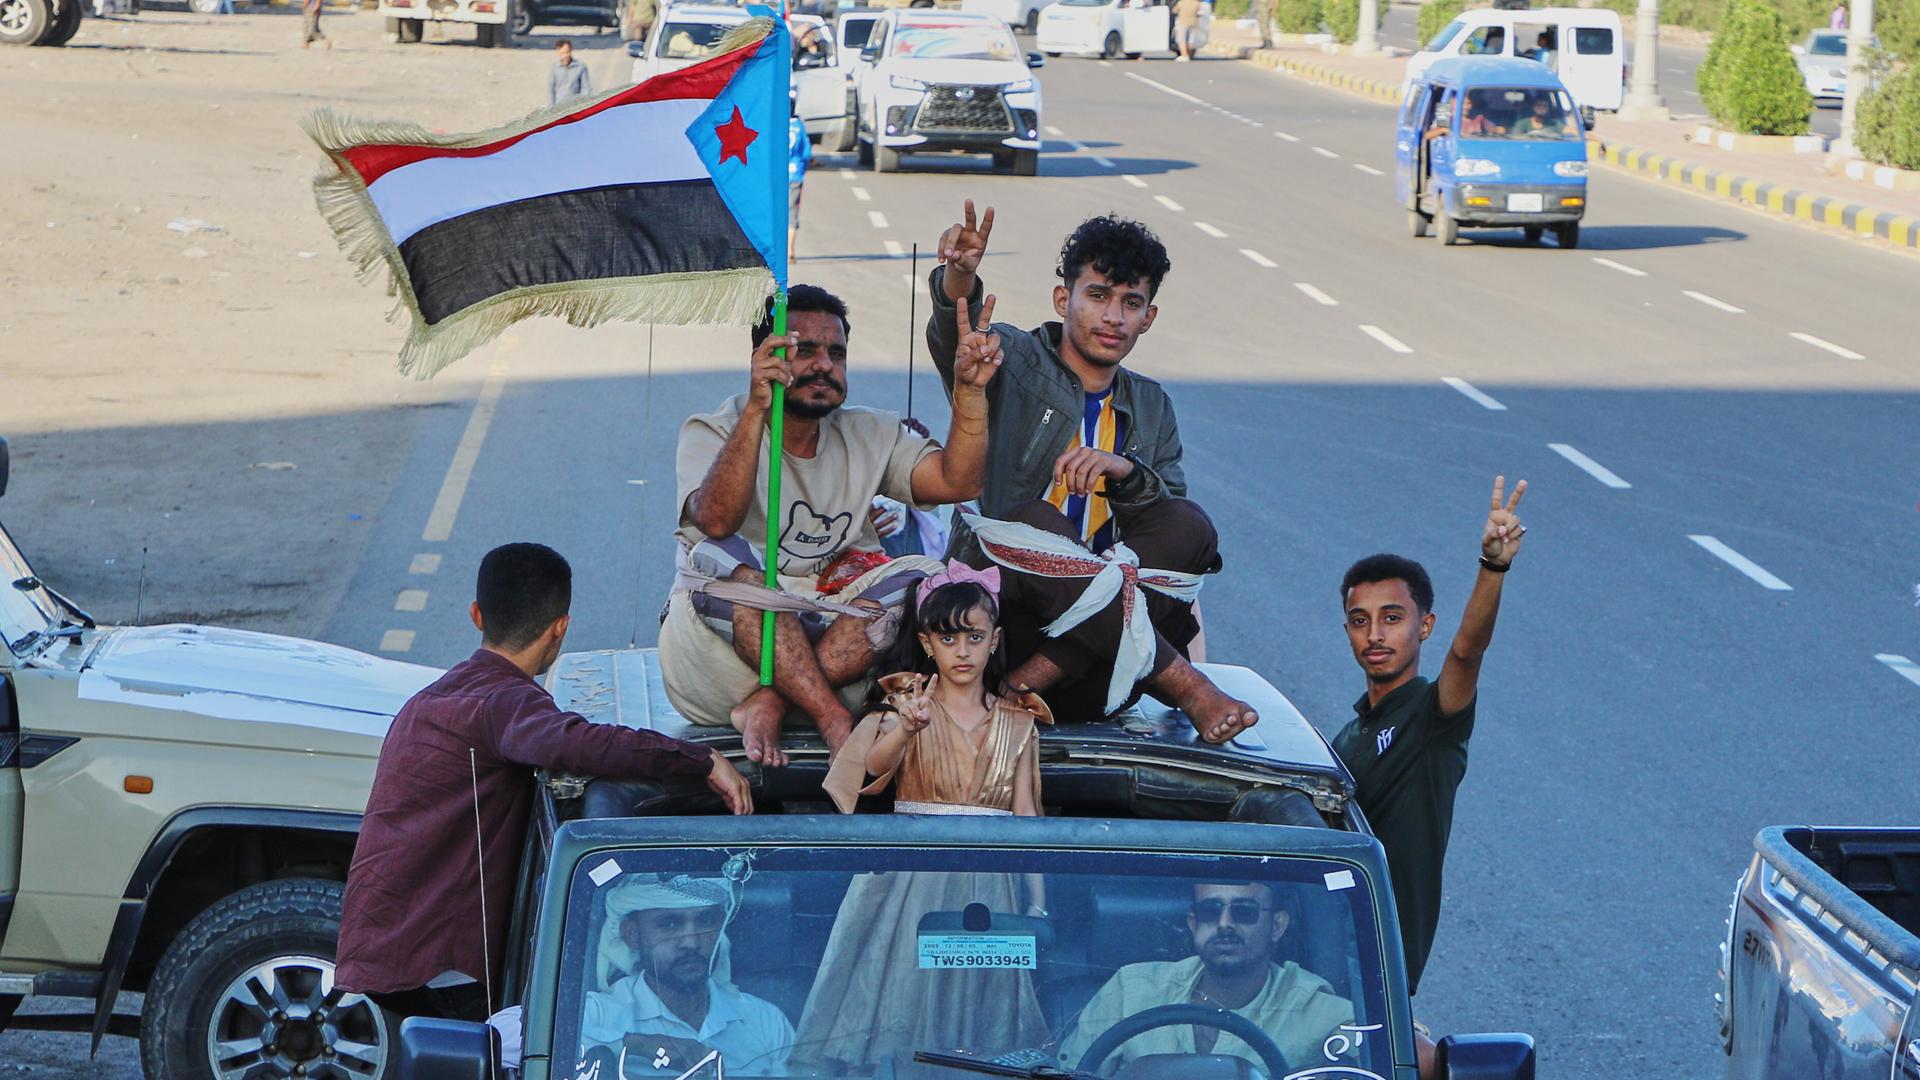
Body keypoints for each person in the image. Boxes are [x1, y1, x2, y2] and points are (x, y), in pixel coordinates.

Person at [336, 544, 752, 1022]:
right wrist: (701, 760)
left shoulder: (427, 702)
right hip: (444, 965)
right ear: (561, 627)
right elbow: (582, 744)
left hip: (381, 951)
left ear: (477, 615)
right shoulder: (504, 703)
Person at [924, 202, 1255, 741]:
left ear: (1148, 317)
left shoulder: (1151, 405)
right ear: (1064, 299)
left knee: (1192, 523)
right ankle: (1191, 688)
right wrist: (959, 274)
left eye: (1131, 303)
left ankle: (1030, 683)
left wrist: (1124, 472)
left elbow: (1168, 530)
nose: (1113, 317)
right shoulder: (1015, 358)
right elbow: (955, 336)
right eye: (1097, 295)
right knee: (1034, 518)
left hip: (1102, 657)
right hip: (1005, 621)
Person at [660, 285, 1002, 767]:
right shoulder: (714, 429)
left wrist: (970, 392)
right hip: (728, 664)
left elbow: (957, 481)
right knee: (718, 553)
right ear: (765, 357)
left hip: (842, 645)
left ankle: (777, 701)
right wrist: (759, 408)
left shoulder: (870, 431)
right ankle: (828, 716)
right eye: (804, 351)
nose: (824, 364)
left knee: (928, 574)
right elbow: (715, 520)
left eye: (836, 353)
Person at [794, 569, 1051, 1069]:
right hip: (910, 880)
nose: (962, 650)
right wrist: (907, 729)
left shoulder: (1021, 723)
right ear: (926, 645)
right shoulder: (907, 708)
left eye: (974, 637)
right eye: (947, 637)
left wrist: (1037, 907)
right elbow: (874, 769)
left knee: (982, 1010)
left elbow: (1028, 821)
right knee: (902, 999)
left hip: (992, 890)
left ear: (994, 641)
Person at [1330, 476, 1526, 1001]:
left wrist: (1493, 565)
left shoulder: (1433, 716)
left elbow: (1466, 653)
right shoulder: (1344, 739)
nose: (1374, 635)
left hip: (1377, 965)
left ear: (1425, 626)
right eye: (1359, 621)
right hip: (1314, 951)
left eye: (1392, 619)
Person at [1058, 882, 1354, 1072]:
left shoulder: (1320, 1012)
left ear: (1277, 926)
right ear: (1192, 923)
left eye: (1244, 911)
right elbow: (1071, 1073)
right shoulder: (1131, 990)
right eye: (1210, 911)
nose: (1224, 924)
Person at [581, 875, 796, 1076]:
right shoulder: (596, 1014)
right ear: (633, 935)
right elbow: (563, 1052)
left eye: (705, 922)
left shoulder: (765, 1021)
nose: (691, 943)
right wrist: (637, 1044)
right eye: (670, 925)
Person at [787, 97, 810, 265]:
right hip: (795, 175)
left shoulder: (774, 124)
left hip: (777, 178)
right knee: (792, 213)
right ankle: (790, 251)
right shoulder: (798, 127)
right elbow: (806, 153)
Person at [550, 39, 595, 106]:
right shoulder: (554, 68)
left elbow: (586, 88)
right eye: (563, 53)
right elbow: (551, 90)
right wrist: (551, 107)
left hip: (575, 106)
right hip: (559, 106)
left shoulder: (581, 67)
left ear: (571, 49)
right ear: (558, 52)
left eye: (568, 52)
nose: (566, 55)